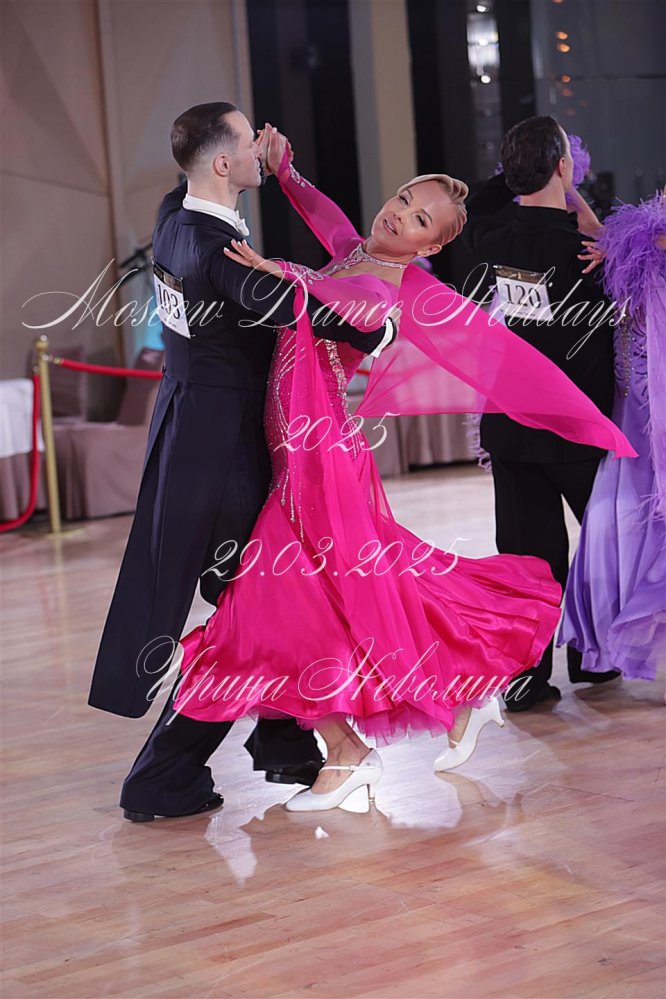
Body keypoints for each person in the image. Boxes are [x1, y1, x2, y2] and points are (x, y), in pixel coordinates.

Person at [168, 127, 633, 812]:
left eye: (419, 220)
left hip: (318, 457)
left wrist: (277, 273)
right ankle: (443, 703)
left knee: (308, 595)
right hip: (296, 448)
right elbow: (329, 220)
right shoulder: (359, 250)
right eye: (403, 200)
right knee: (356, 590)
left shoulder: (389, 286)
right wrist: (288, 175)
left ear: (430, 247)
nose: (399, 216)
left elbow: (342, 308)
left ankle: (360, 748)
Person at [88, 103, 393, 822]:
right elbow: (302, 309)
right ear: (222, 164)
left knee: (263, 602)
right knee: (254, 609)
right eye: (248, 138)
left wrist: (281, 169)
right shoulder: (217, 249)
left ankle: (285, 746)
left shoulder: (175, 214)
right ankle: (165, 775)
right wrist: (378, 327)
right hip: (223, 451)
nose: (260, 143)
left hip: (189, 429)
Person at [461, 115, 624, 713]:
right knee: (608, 546)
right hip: (579, 427)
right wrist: (577, 199)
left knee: (526, 557)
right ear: (564, 166)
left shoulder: (491, 236)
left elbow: (479, 203)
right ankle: (592, 655)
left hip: (512, 424)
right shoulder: (595, 253)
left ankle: (525, 676)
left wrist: (518, 176)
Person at [560, 190, 666, 679]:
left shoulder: (645, 240)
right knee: (613, 522)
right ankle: (605, 642)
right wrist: (579, 203)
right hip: (632, 404)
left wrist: (619, 244)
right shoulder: (638, 236)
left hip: (655, 400)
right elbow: (606, 231)